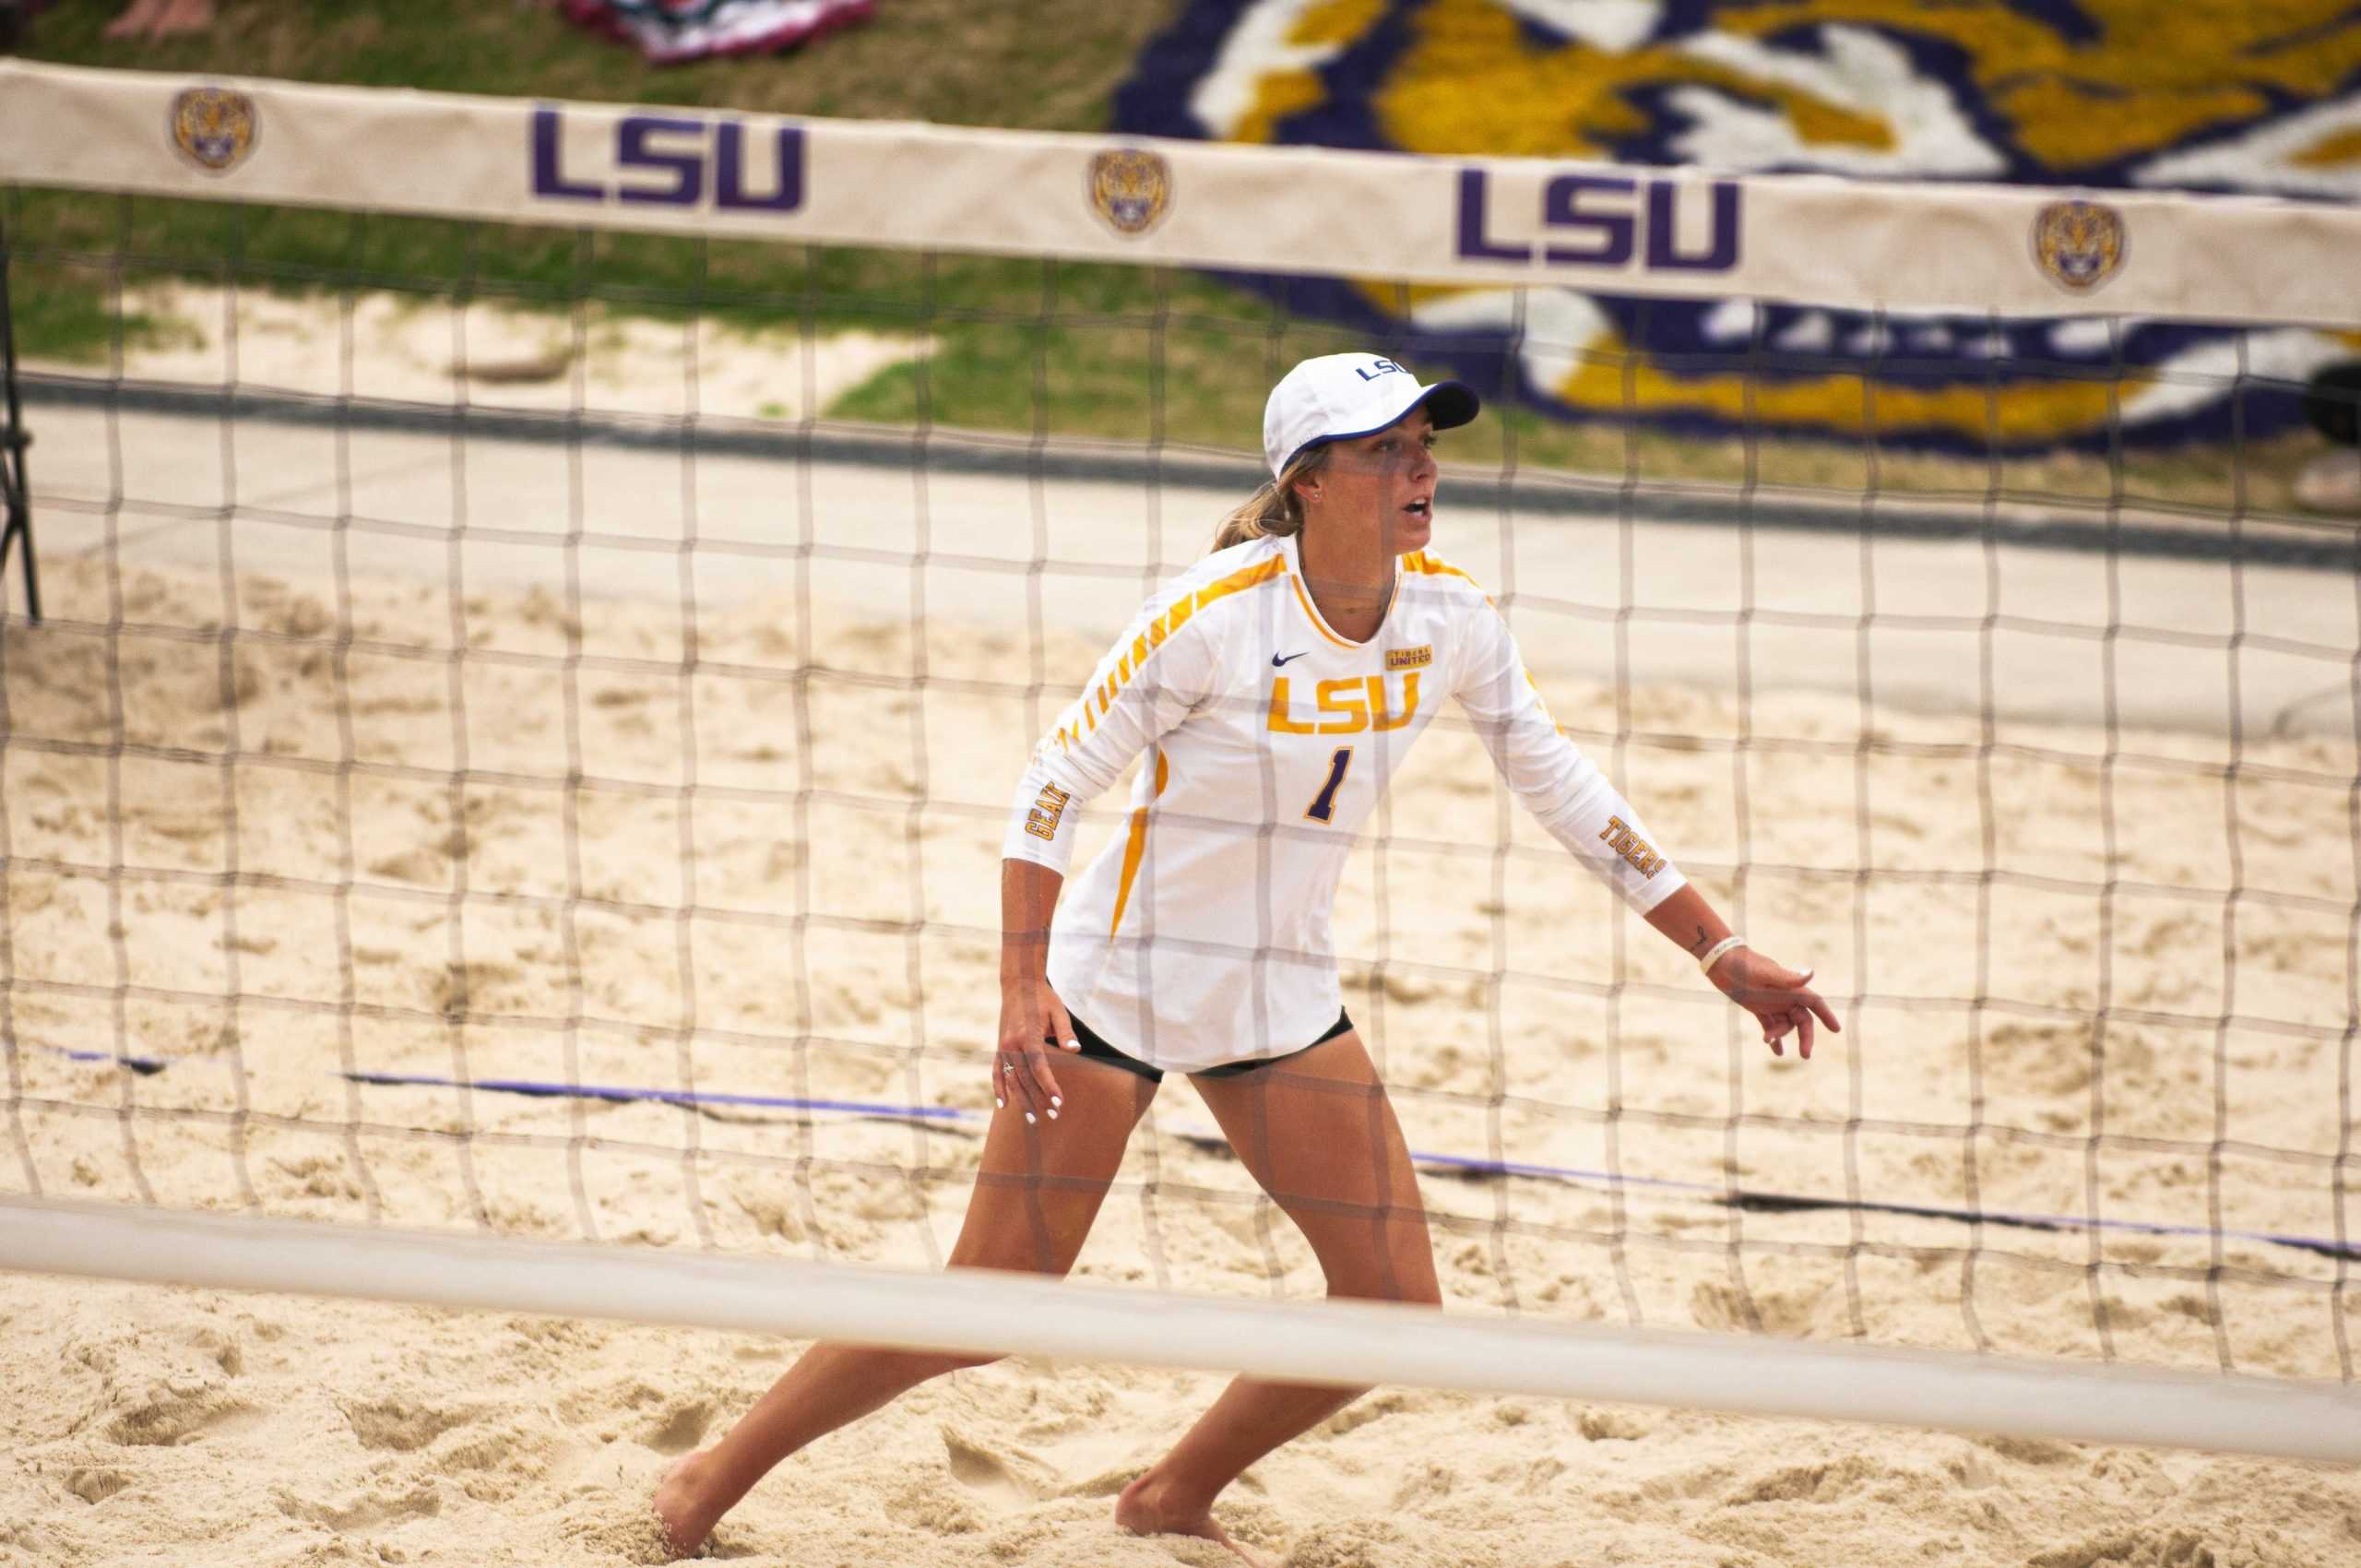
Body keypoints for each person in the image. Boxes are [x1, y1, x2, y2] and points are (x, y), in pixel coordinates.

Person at [650, 352, 1839, 1563]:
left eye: (1426, 444)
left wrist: (1718, 948)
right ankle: (710, 1477)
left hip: (1275, 992)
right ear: (1309, 480)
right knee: (988, 1305)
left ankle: (1169, 1495)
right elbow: (1050, 788)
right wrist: (1022, 983)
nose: (1421, 468)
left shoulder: (1451, 618)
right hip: (1117, 986)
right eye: (1387, 450)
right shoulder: (1215, 615)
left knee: (1392, 1314)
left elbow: (1567, 791)